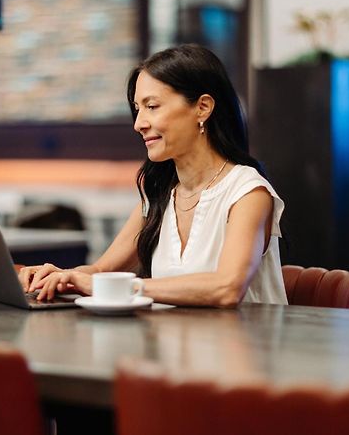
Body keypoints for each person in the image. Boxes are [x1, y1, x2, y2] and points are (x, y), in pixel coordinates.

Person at [19, 44, 288, 307]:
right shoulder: (159, 193)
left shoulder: (248, 192)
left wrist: (122, 286)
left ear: (203, 108)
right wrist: (62, 276)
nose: (139, 124)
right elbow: (102, 269)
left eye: (152, 106)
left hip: (245, 349)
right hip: (174, 347)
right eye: (138, 109)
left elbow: (227, 287)